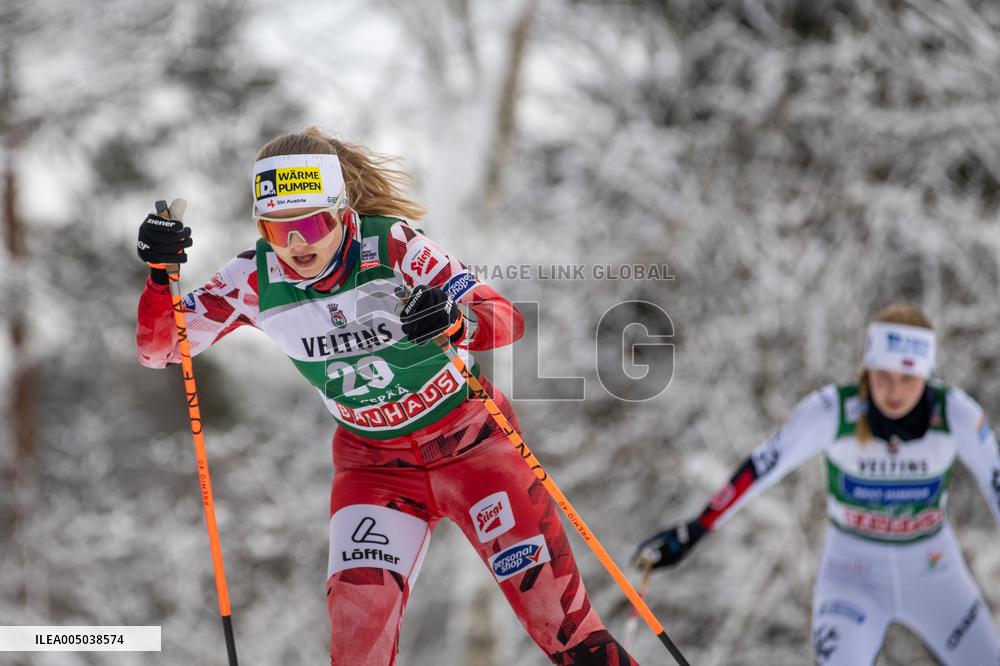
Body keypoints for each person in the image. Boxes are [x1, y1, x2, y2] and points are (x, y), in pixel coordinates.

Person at [136, 127, 638, 665]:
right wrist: (159, 279)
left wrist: (454, 319)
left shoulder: (393, 246)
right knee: (357, 641)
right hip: (374, 468)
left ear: (341, 212)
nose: (298, 245)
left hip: (473, 449)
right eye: (277, 231)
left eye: (312, 224)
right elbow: (161, 349)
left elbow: (505, 320)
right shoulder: (253, 279)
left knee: (561, 629)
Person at [635, 304, 1000, 665]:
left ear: (926, 375)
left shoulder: (955, 414)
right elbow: (762, 466)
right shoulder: (832, 411)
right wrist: (698, 527)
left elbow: (995, 482)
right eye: (882, 376)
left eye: (908, 379)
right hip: (853, 579)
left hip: (935, 576)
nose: (894, 391)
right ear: (867, 369)